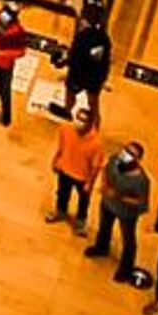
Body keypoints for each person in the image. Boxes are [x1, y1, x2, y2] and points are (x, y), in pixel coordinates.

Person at [85, 137, 149, 280]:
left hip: (126, 213)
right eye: (126, 150)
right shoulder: (115, 160)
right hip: (107, 204)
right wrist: (104, 184)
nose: (126, 154)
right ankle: (101, 247)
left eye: (131, 154)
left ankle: (126, 268)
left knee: (128, 240)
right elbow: (105, 170)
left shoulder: (140, 181)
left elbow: (141, 203)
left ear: (138, 160)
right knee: (104, 227)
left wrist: (119, 196)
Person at [47, 98, 103, 231]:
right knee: (62, 193)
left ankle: (81, 220)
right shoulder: (66, 129)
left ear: (90, 124)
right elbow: (61, 147)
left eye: (83, 120)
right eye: (78, 118)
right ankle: (60, 211)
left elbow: (96, 166)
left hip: (82, 177)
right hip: (65, 170)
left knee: (83, 201)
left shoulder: (96, 143)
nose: (79, 122)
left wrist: (90, 182)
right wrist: (56, 160)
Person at [65, 0, 113, 120]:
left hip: (88, 76)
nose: (81, 20)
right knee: (76, 94)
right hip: (87, 75)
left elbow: (95, 61)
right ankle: (67, 110)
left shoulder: (97, 39)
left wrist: (72, 61)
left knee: (90, 99)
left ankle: (95, 119)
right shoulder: (91, 36)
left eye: (83, 18)